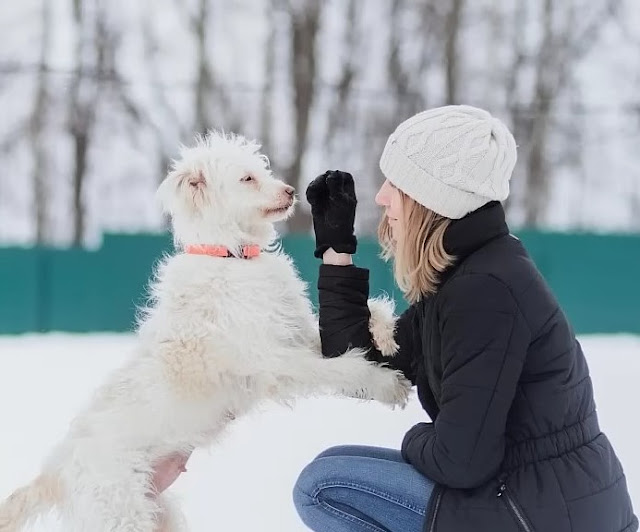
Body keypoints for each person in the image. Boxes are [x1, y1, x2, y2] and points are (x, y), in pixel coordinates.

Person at [292, 105, 638, 532]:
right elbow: (364, 364)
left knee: (323, 486)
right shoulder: (466, 274)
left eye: (396, 184)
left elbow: (460, 461)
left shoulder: (486, 291)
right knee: (333, 464)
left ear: (433, 199)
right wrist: (336, 252)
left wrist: (413, 437)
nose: (381, 196)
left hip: (539, 513)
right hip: (530, 499)